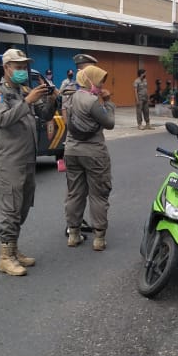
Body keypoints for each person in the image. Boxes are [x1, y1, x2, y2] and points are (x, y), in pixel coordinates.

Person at [0, 49, 57, 277]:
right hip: (9, 160)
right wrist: (27, 101)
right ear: (6, 68)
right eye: (18, 67)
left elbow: (44, 115)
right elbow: (3, 119)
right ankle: (5, 258)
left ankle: (14, 250)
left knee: (23, 206)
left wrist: (52, 99)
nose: (22, 71)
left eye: (24, 67)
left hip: (27, 159)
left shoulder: (23, 91)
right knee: (11, 208)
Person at [64, 63, 115, 251]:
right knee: (98, 194)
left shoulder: (69, 98)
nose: (101, 87)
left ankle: (74, 234)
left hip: (71, 151)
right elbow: (109, 123)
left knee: (75, 193)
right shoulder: (92, 101)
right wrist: (108, 102)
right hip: (93, 153)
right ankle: (99, 238)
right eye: (99, 82)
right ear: (90, 80)